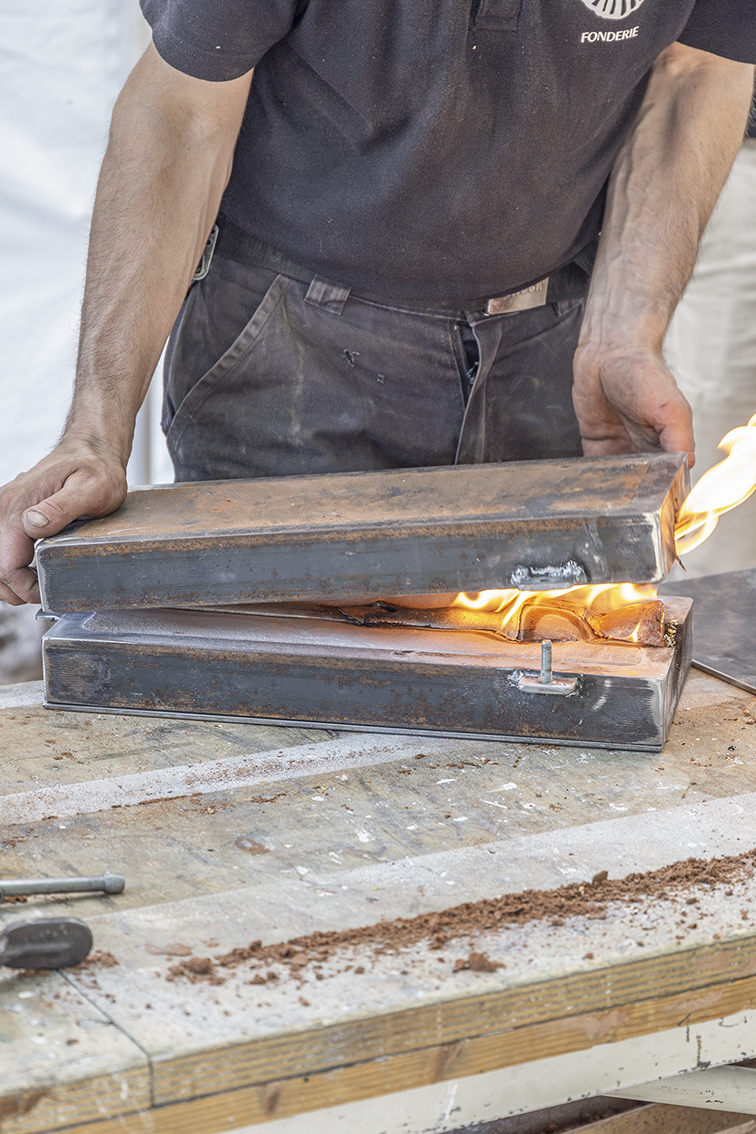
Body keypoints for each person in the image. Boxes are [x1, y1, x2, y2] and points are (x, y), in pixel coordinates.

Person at [0, 1, 754, 607]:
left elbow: (697, 69)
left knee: (539, 713)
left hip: (552, 344)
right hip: (291, 346)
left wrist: (624, 334)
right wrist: (95, 431)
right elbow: (183, 116)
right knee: (280, 720)